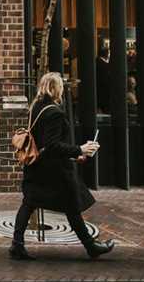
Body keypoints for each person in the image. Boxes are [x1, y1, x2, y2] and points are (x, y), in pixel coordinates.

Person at [9, 72, 115, 261]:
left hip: (37, 166)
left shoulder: (37, 107)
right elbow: (53, 145)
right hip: (54, 171)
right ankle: (91, 247)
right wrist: (79, 149)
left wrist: (75, 155)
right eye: (60, 86)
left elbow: (45, 143)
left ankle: (17, 245)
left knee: (29, 203)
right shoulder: (54, 112)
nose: (62, 91)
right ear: (54, 88)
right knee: (71, 207)